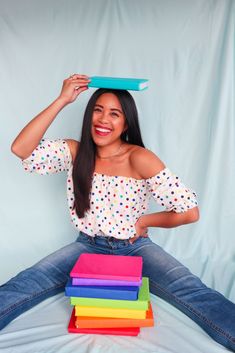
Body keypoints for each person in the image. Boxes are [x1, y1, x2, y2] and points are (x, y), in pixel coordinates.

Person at [2, 73, 234, 351]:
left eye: (115, 114)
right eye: (98, 110)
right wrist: (63, 99)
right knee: (26, 282)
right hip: (86, 246)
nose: (103, 120)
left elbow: (189, 212)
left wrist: (145, 221)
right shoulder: (76, 152)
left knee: (195, 292)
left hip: (136, 249)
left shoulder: (139, 157)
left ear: (126, 123)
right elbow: (21, 148)